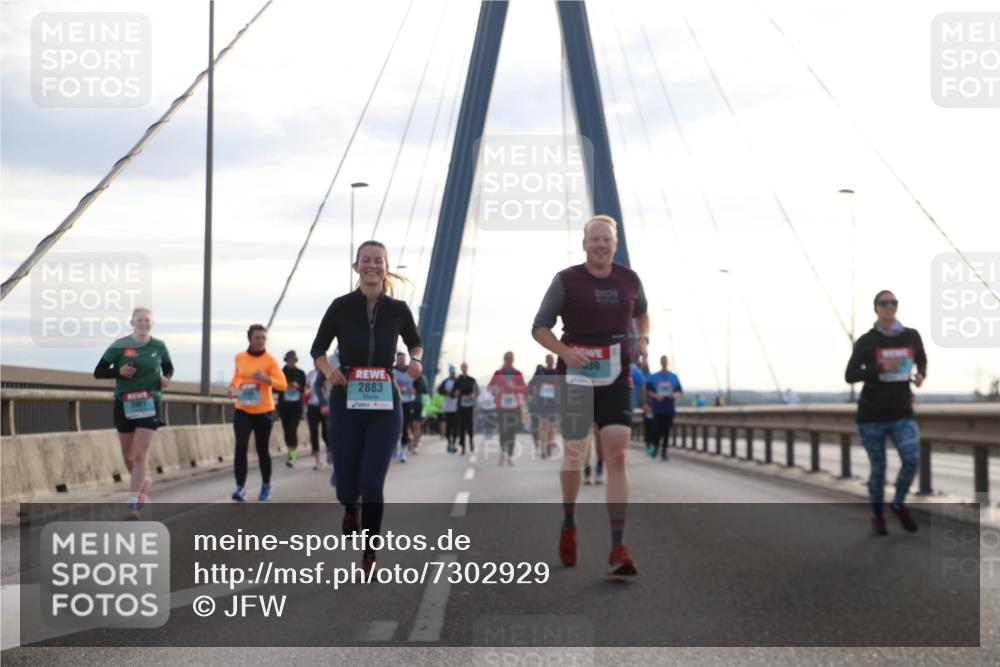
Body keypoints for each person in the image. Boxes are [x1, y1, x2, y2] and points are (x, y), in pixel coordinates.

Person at [532, 215, 650, 576]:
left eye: (607, 240)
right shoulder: (567, 280)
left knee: (617, 455)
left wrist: (642, 338)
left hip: (617, 376)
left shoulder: (630, 280)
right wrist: (565, 353)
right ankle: (569, 522)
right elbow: (540, 327)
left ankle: (617, 545)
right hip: (577, 377)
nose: (601, 245)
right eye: (594, 239)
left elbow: (643, 315)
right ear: (584, 243)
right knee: (575, 454)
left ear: (615, 244)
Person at [310, 240, 422, 571]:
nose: (372, 265)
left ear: (386, 267)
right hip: (346, 401)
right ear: (356, 267)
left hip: (385, 404)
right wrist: (330, 372)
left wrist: (415, 360)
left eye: (378, 260)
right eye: (366, 260)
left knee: (373, 482)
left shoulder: (398, 310)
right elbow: (317, 348)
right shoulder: (340, 306)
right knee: (346, 482)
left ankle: (370, 554)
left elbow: (415, 343)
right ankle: (349, 506)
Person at [845, 290, 926, 536]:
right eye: (884, 303)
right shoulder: (866, 341)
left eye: (893, 302)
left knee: (911, 460)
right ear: (876, 308)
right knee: (878, 469)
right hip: (871, 415)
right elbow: (850, 375)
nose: (889, 306)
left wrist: (921, 374)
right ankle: (878, 517)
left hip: (902, 411)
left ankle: (898, 502)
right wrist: (879, 366)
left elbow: (921, 359)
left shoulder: (911, 336)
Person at [93, 307, 173, 519]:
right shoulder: (120, 345)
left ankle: (132, 503)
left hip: (150, 402)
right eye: (139, 320)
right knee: (127, 456)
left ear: (152, 324)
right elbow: (98, 372)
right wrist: (118, 371)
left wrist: (166, 378)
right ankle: (143, 480)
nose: (143, 324)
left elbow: (169, 368)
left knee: (139, 454)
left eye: (147, 320)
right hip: (124, 403)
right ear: (132, 322)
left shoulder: (159, 346)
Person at [228, 324, 287, 501]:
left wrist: (266, 379)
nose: (261, 341)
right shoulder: (240, 357)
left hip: (264, 411)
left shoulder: (270, 360)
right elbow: (238, 376)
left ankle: (266, 485)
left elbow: (282, 385)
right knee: (240, 447)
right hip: (243, 409)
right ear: (249, 339)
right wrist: (232, 387)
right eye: (257, 338)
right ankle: (240, 488)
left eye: (263, 338)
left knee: (262, 450)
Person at [487, 351, 529, 466]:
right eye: (507, 358)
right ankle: (503, 453)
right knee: (503, 431)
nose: (509, 360)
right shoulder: (498, 373)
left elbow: (525, 388)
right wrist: (495, 389)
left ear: (513, 360)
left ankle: (510, 456)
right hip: (501, 406)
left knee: (512, 431)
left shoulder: (518, 373)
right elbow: (489, 386)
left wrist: (514, 387)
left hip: (514, 406)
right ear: (504, 359)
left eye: (511, 358)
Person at [647, 355, 683, 461]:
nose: (664, 363)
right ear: (660, 362)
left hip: (669, 408)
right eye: (662, 361)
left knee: (666, 431)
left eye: (665, 361)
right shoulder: (654, 377)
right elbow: (648, 391)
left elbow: (679, 391)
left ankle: (664, 452)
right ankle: (655, 450)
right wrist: (655, 396)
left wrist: (673, 395)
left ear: (667, 362)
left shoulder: (673, 377)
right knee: (656, 430)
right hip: (657, 408)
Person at [394, 351, 427, 462]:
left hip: (409, 403)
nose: (402, 362)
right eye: (400, 360)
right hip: (395, 402)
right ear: (396, 360)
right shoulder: (392, 371)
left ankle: (402, 451)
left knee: (405, 426)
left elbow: (423, 386)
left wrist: (415, 389)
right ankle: (395, 448)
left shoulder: (412, 371)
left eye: (403, 360)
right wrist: (396, 386)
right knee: (395, 427)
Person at [278, 351, 307, 468]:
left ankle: (293, 456)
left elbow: (304, 389)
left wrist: (297, 386)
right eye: (289, 359)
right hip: (284, 406)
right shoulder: (280, 373)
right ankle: (290, 451)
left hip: (296, 406)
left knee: (292, 429)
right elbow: (275, 388)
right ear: (286, 360)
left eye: (293, 359)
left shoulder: (300, 373)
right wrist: (285, 386)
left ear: (296, 360)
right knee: (286, 431)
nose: (291, 361)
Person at [530, 355, 559, 460]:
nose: (550, 361)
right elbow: (531, 384)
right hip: (541, 401)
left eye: (552, 359)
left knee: (552, 426)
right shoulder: (540, 372)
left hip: (554, 402)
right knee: (542, 424)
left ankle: (549, 446)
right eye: (548, 359)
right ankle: (544, 448)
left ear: (554, 361)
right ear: (546, 361)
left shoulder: (557, 372)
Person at [306, 356, 331, 472]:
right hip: (312, 406)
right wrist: (307, 391)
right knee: (313, 433)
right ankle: (317, 461)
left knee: (326, 433)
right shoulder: (310, 374)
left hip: (325, 406)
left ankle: (329, 451)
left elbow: (329, 388)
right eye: (315, 362)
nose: (317, 364)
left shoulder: (328, 373)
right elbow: (305, 390)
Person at [630, 350, 653, 452]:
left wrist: (644, 402)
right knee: (647, 424)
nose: (643, 359)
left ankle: (650, 445)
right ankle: (648, 445)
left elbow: (648, 387)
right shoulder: (635, 369)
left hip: (648, 403)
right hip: (640, 403)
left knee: (650, 424)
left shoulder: (646, 372)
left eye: (645, 357)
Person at [455, 362, 479, 455]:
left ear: (467, 368)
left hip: (470, 406)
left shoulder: (472, 380)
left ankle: (471, 443)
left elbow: (477, 392)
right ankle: (463, 447)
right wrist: (456, 393)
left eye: (466, 367)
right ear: (461, 368)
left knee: (470, 426)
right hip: (461, 406)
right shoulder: (458, 380)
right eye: (463, 367)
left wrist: (473, 395)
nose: (464, 369)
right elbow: (454, 393)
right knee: (461, 426)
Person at [438, 365, 461, 453]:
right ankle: (449, 442)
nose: (452, 374)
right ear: (449, 372)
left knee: (455, 427)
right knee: (448, 427)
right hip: (447, 408)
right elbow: (440, 391)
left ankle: (454, 443)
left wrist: (458, 392)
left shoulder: (458, 381)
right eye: (451, 372)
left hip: (456, 408)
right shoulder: (445, 381)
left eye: (453, 372)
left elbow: (461, 390)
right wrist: (448, 392)